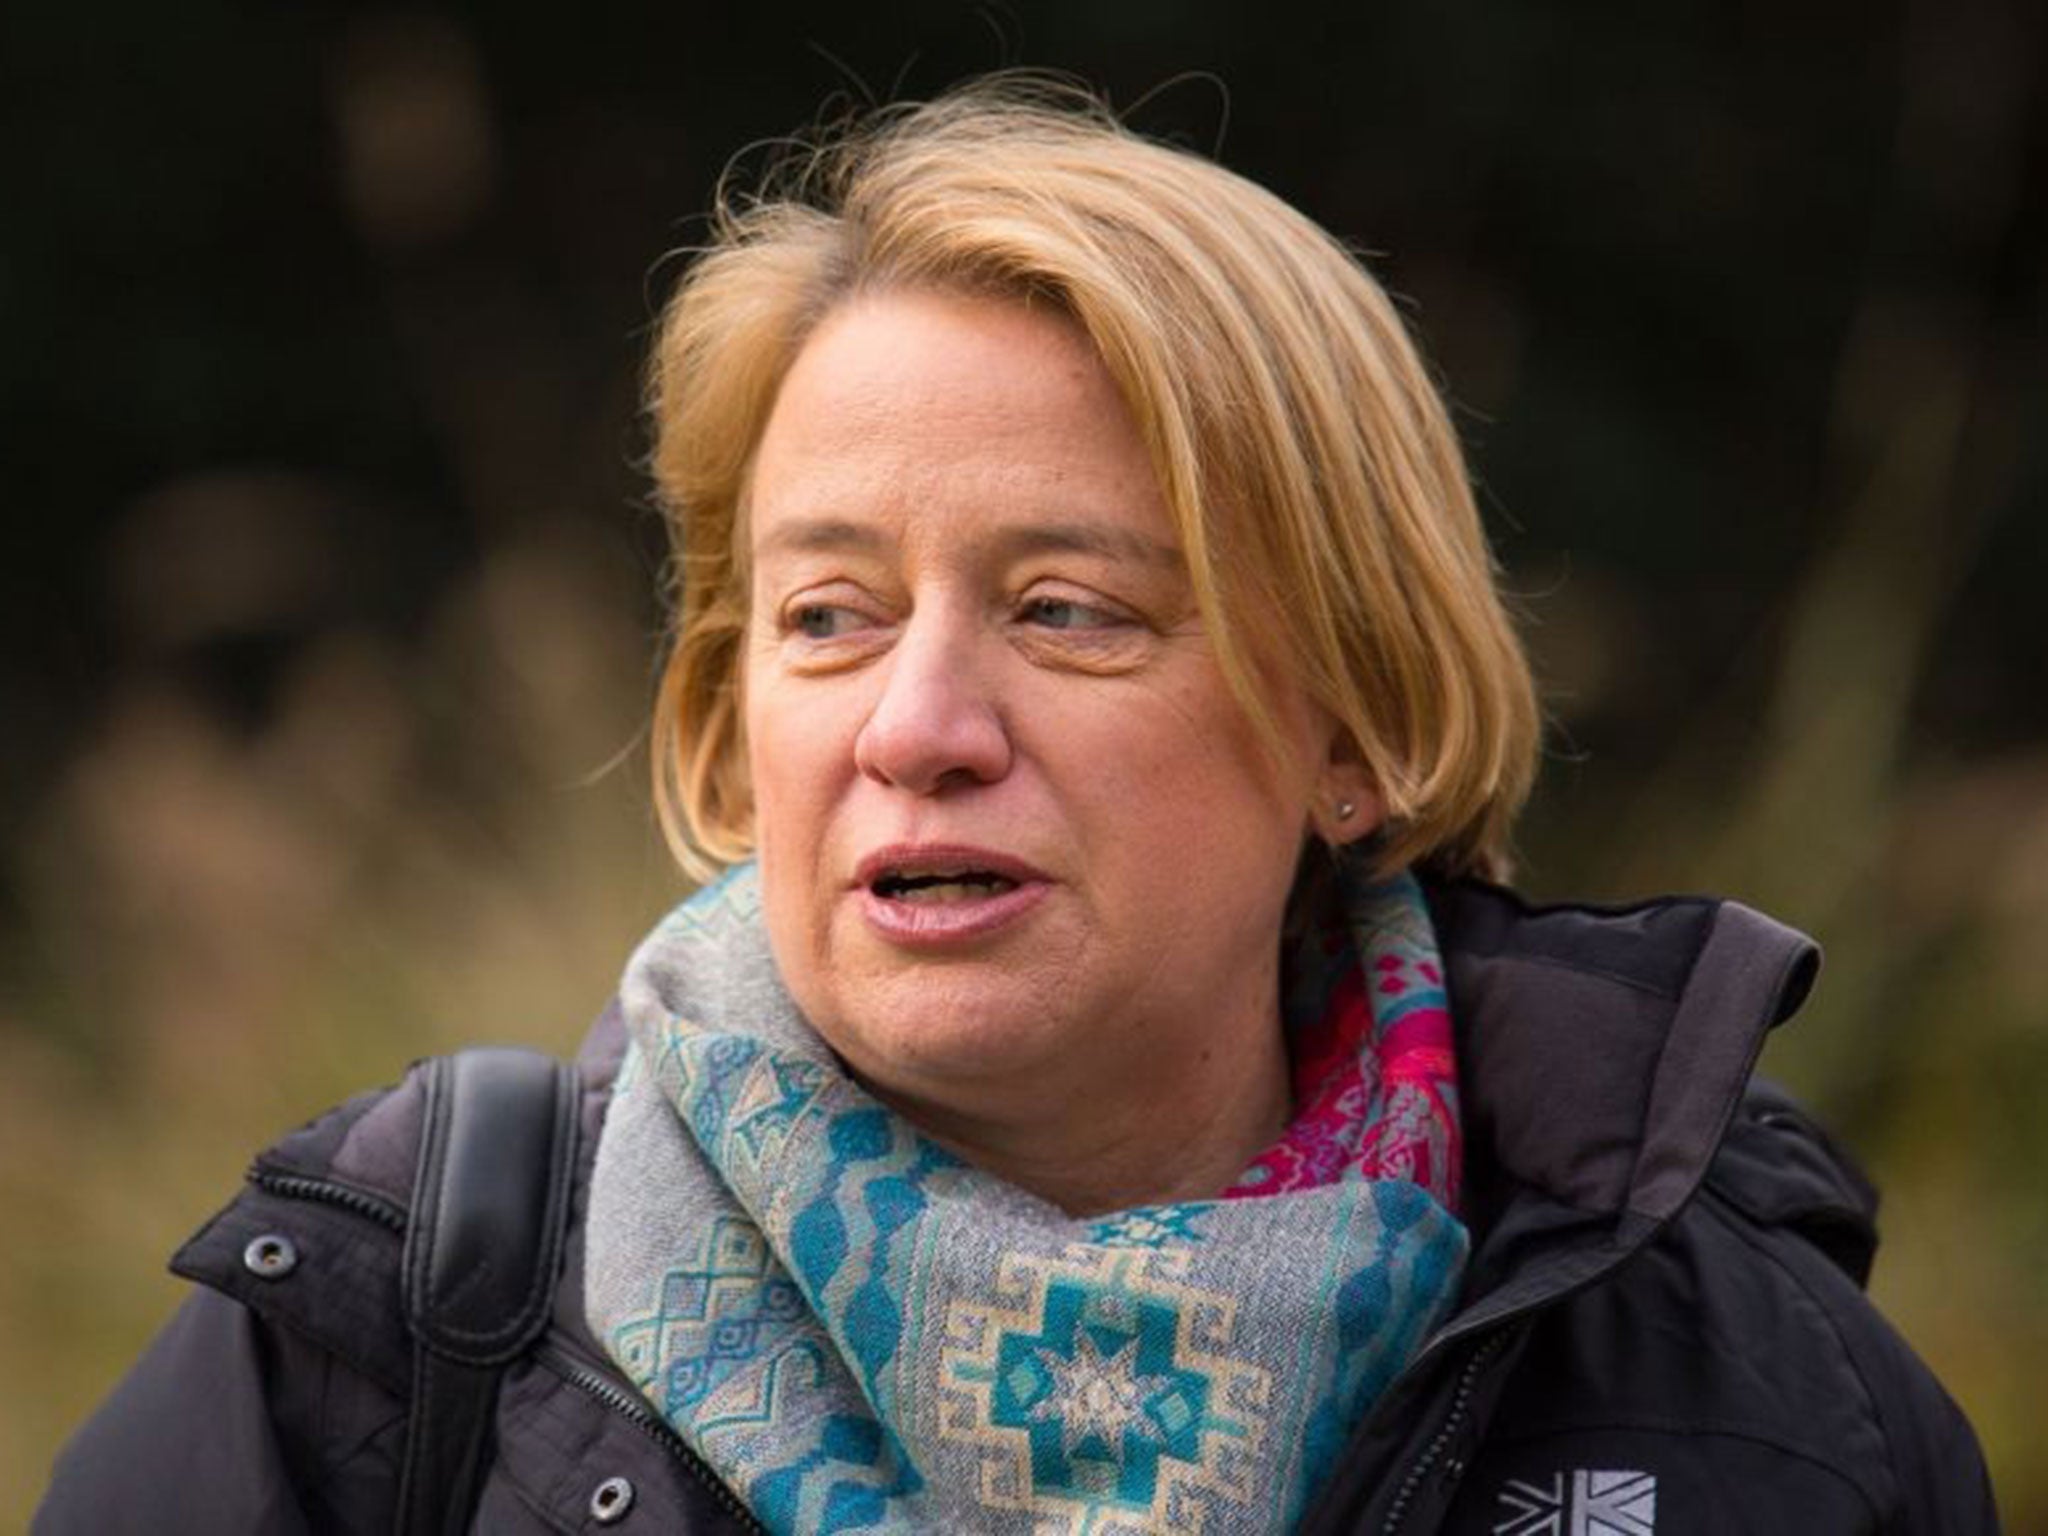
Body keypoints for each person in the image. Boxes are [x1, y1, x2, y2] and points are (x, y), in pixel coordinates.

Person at [38, 78, 1996, 1534]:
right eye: (826, 616)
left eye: (1069, 612)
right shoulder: (376, 1338)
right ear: (735, 718)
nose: (917, 723)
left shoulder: (1740, 1387)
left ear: (1356, 726)